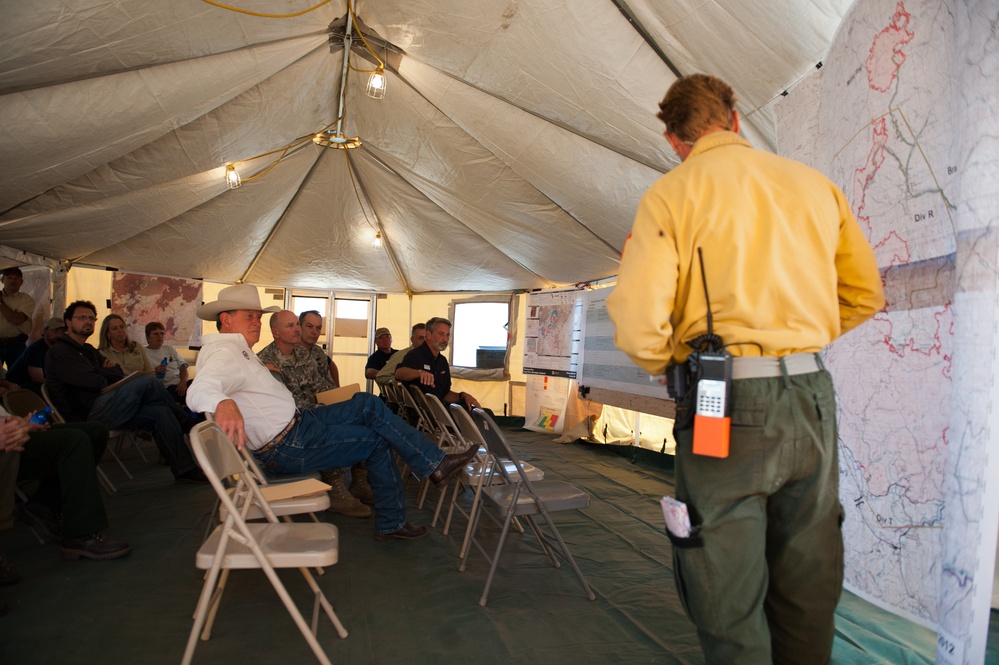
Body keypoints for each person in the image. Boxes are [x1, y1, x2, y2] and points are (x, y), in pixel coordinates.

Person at [605, 74, 885, 665]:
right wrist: (795, 342)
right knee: (809, 577)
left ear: (673, 138)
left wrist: (671, 363)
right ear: (735, 119)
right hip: (812, 398)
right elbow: (863, 295)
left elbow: (635, 325)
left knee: (723, 585)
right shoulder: (815, 186)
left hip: (722, 402)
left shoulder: (672, 194)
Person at [186, 284, 478, 541]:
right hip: (288, 444)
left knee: (368, 402)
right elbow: (199, 390)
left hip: (301, 422)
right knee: (376, 440)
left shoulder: (240, 350)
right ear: (225, 319)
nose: (257, 322)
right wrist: (223, 403)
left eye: (258, 316)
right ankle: (398, 515)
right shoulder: (222, 352)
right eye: (249, 315)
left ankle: (434, 464)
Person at [44, 301, 206, 483]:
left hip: (111, 405)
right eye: (82, 318)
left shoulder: (87, 350)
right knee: (146, 380)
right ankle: (188, 423)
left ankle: (185, 470)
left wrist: (105, 372)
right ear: (68, 322)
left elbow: (117, 373)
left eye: (91, 318)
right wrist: (105, 372)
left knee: (162, 412)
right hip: (87, 416)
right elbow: (95, 381)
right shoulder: (61, 352)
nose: (88, 321)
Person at [257, 311, 371, 518]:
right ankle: (335, 487)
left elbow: (323, 384)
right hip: (292, 426)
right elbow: (286, 403)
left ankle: (360, 481)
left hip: (313, 410)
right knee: (332, 428)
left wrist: (342, 400)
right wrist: (329, 409)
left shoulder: (307, 354)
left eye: (317, 328)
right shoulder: (265, 360)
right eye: (302, 326)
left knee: (362, 415)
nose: (303, 331)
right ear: (275, 332)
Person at [0, 408, 130, 564]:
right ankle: (80, 535)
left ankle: (44, 505)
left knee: (96, 432)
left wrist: (20, 422)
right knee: (74, 441)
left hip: (12, 435)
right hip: (6, 449)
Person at [396, 317, 481, 410]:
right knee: (479, 418)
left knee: (483, 413)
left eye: (447, 335)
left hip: (441, 410)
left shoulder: (442, 361)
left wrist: (462, 396)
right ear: (428, 335)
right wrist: (419, 373)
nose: (445, 339)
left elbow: (445, 394)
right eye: (441, 334)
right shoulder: (415, 355)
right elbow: (399, 373)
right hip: (426, 415)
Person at [5, 317, 65, 390]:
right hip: (17, 390)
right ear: (45, 332)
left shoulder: (58, 350)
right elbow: (39, 381)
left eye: (62, 332)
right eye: (55, 331)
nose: (59, 335)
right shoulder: (35, 350)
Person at [143, 321, 190, 404]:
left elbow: (183, 366)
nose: (160, 336)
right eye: (155, 334)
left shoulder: (169, 349)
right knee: (191, 396)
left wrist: (183, 382)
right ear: (148, 337)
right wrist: (155, 371)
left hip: (180, 383)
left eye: (162, 333)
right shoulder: (143, 353)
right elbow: (140, 376)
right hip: (165, 388)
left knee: (200, 386)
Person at [0, 267, 35, 371]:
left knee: (17, 377)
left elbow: (17, 320)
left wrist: (1, 303)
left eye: (16, 278)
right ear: (2, 280)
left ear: (21, 282)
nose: (12, 281)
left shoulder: (27, 300)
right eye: (9, 277)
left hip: (16, 344)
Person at [375, 323, 425, 388]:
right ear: (412, 339)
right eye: (421, 338)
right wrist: (398, 383)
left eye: (427, 338)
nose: (425, 341)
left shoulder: (435, 358)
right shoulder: (402, 355)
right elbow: (380, 377)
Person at [298, 310, 340, 387]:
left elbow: (330, 364)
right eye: (309, 326)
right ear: (299, 327)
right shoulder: (289, 351)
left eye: (318, 328)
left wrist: (337, 389)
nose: (314, 332)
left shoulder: (317, 351)